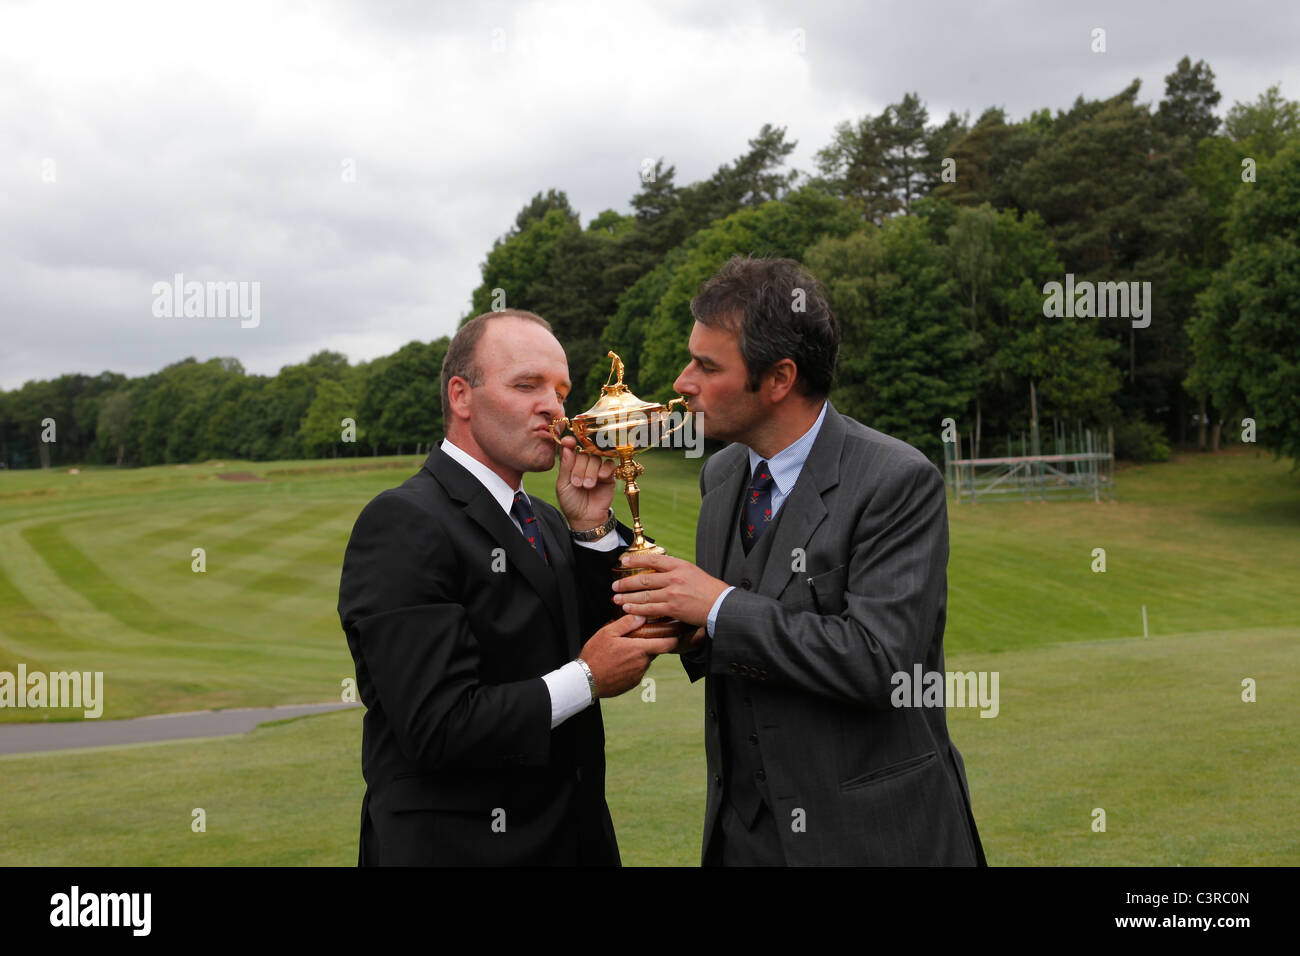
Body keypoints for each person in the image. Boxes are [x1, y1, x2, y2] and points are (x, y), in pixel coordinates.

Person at [613, 257, 986, 866]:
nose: (683, 381)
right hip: (744, 840)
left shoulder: (895, 480)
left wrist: (719, 607)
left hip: (872, 839)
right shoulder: (722, 474)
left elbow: (882, 663)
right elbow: (729, 643)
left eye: (708, 366)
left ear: (780, 378)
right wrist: (683, 624)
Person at [338, 309, 677, 866]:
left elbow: (615, 627)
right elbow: (437, 726)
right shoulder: (403, 522)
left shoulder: (545, 519)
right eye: (527, 385)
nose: (554, 406)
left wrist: (592, 529)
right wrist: (586, 679)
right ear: (461, 396)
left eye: (561, 390)